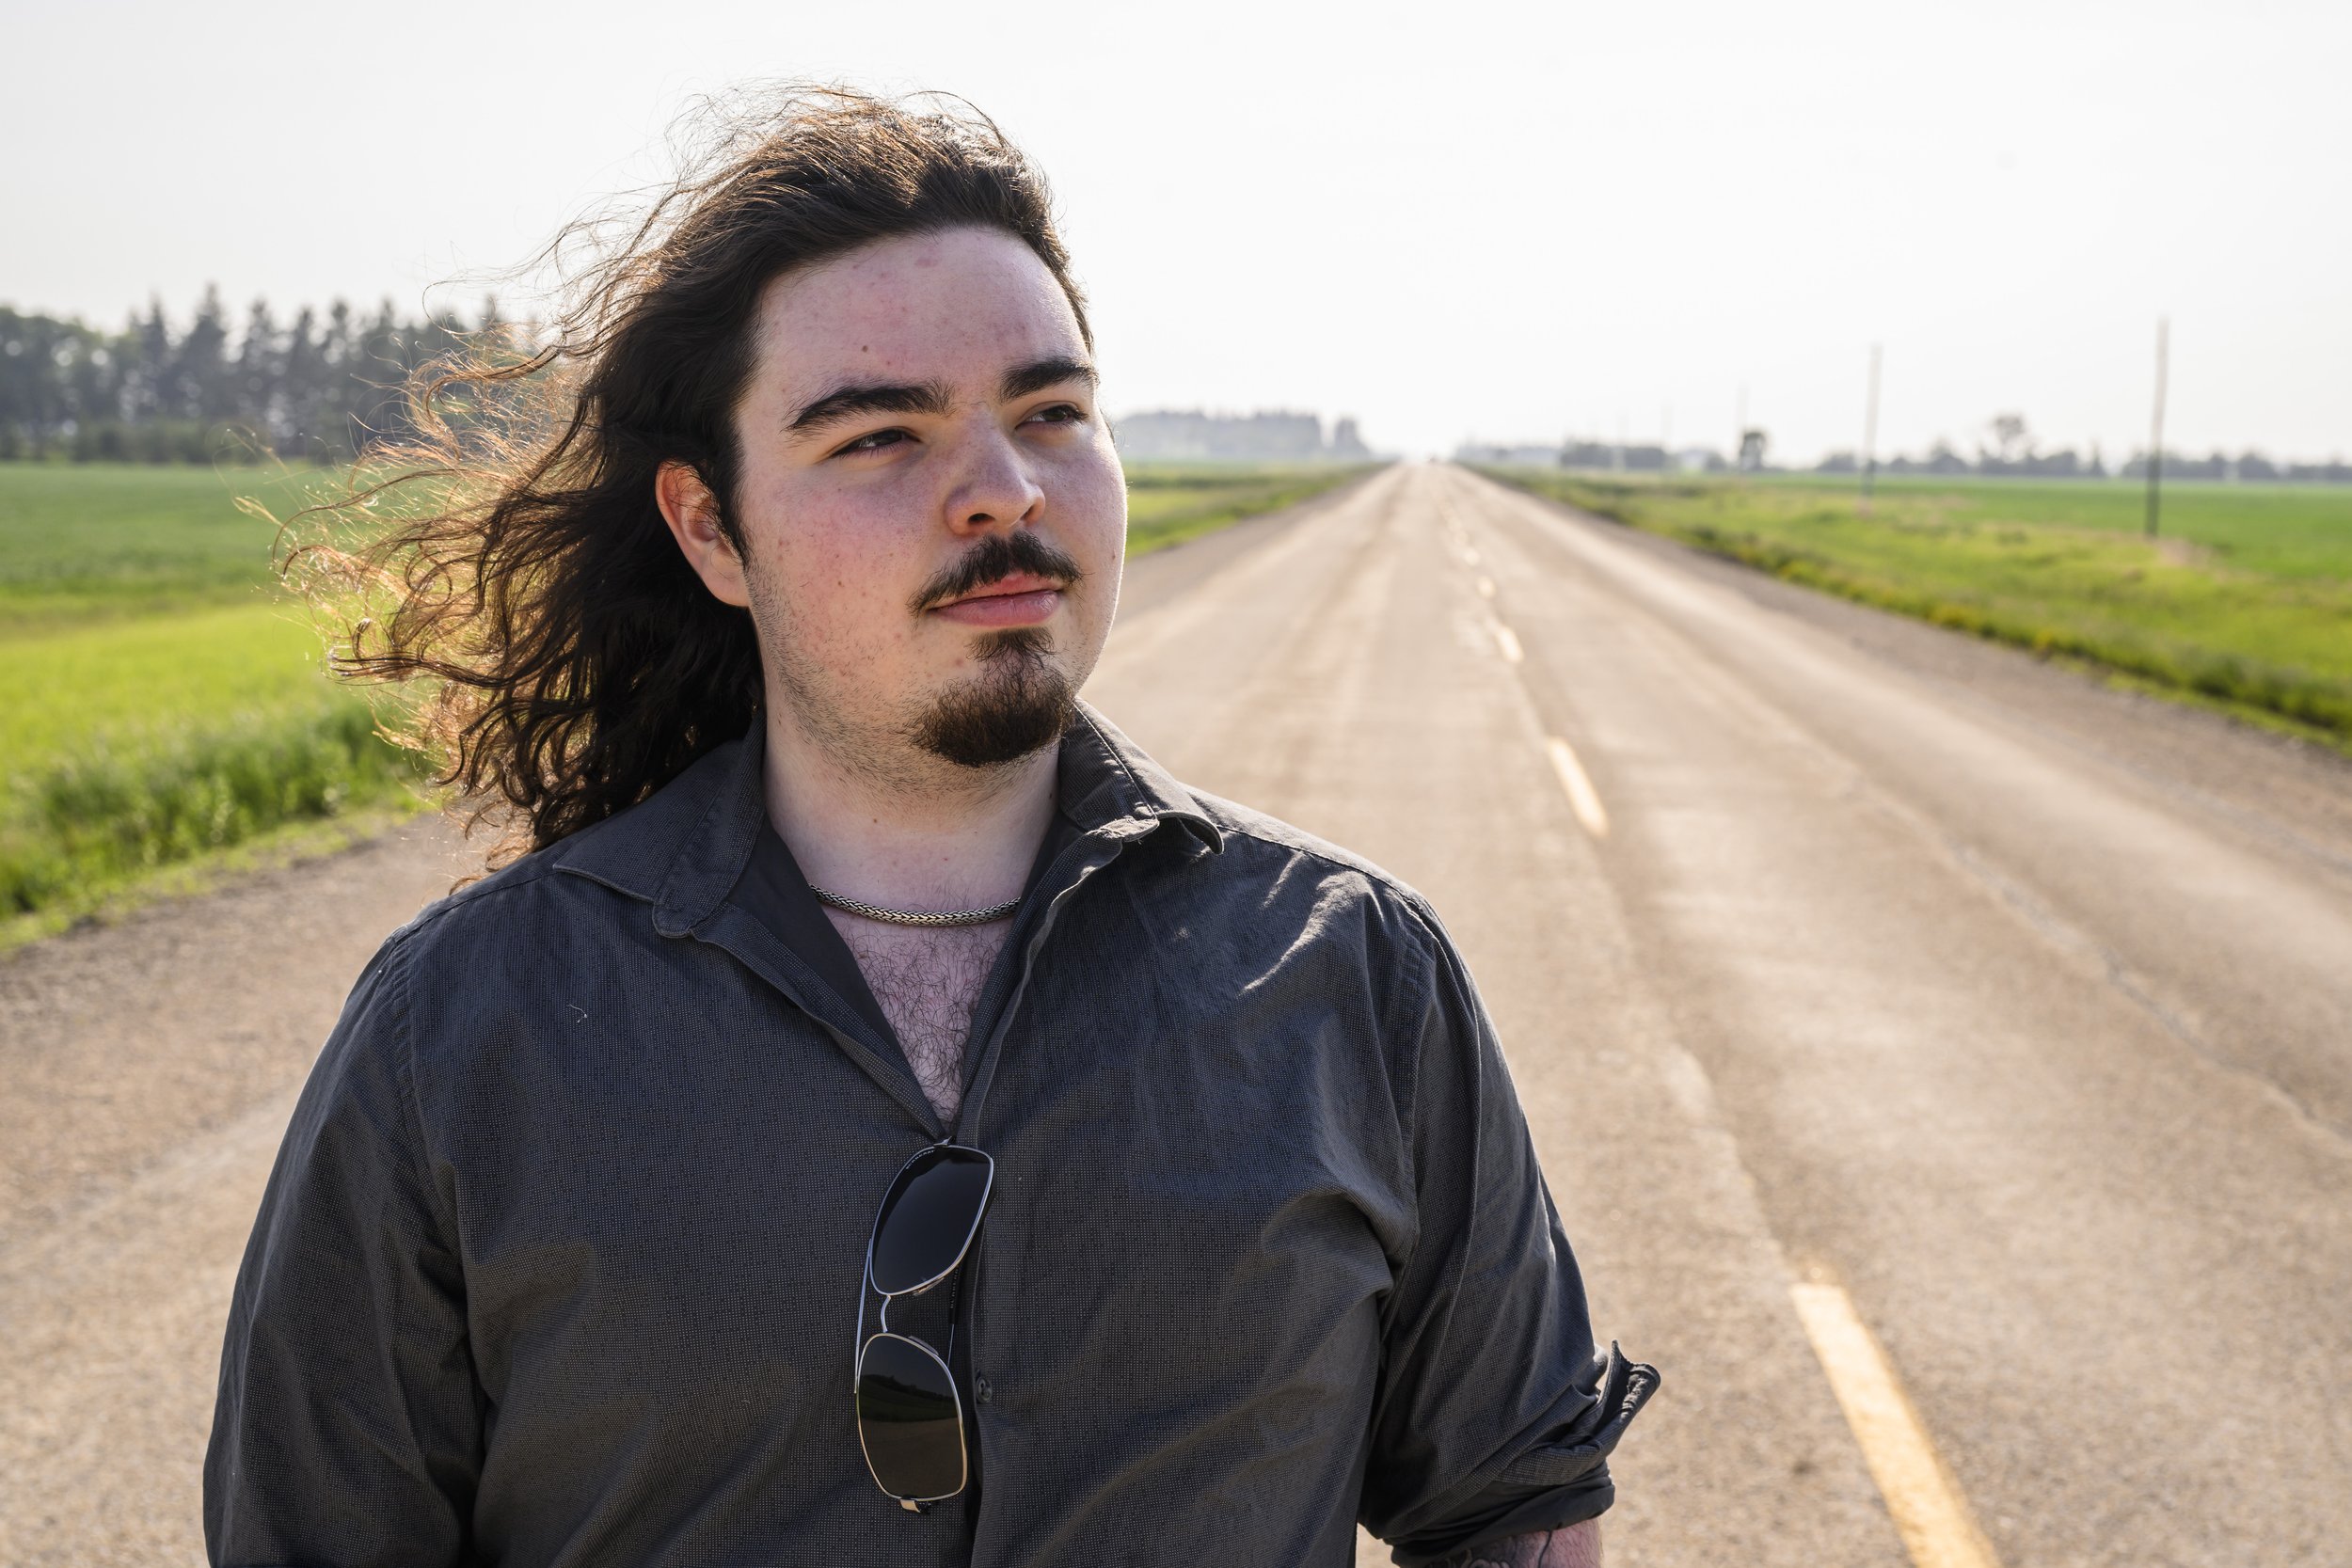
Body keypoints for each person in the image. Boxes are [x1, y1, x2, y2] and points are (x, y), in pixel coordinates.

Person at [205, 87, 1655, 1568]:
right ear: (713, 530)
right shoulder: (463, 1031)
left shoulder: (1357, 976)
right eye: (882, 435)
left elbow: (1513, 1505)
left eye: (1052, 415)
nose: (1006, 493)